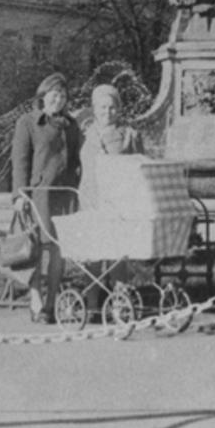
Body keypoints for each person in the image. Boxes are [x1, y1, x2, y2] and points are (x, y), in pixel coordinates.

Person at [11, 72, 82, 323]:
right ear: (43, 96)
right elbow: (19, 162)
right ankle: (35, 298)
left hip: (64, 196)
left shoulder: (71, 125)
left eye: (63, 95)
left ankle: (52, 301)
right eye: (54, 94)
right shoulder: (28, 123)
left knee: (58, 251)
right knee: (36, 247)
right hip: (38, 195)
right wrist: (19, 195)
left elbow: (76, 160)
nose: (58, 99)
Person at [78, 84, 143, 310]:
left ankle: (120, 304)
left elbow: (139, 168)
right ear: (94, 109)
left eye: (113, 107)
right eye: (103, 107)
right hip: (91, 201)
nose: (108, 112)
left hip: (119, 204)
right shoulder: (83, 135)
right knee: (93, 254)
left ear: (119, 109)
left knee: (118, 254)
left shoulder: (128, 135)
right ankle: (92, 303)